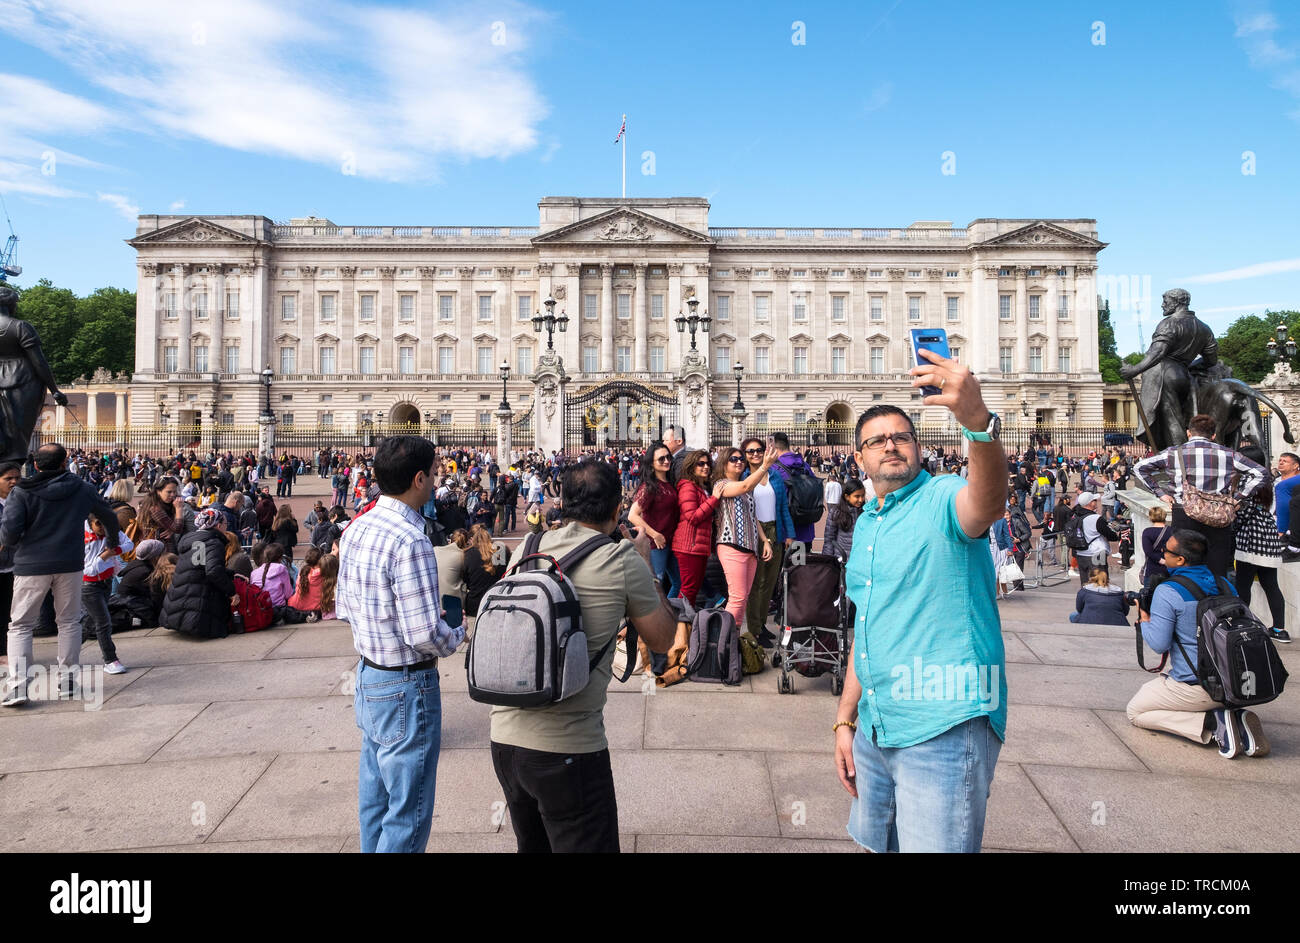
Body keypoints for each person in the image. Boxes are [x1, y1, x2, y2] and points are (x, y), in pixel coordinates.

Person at [835, 345, 1008, 853]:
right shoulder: (868, 521)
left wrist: (977, 422)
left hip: (944, 721)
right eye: (877, 440)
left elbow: (987, 502)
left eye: (901, 437)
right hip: (876, 724)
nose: (891, 446)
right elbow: (867, 628)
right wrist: (847, 718)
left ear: (918, 445)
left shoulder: (943, 496)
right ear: (859, 457)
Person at [490, 458, 676, 853]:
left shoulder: (530, 544)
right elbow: (662, 640)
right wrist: (644, 562)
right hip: (568, 747)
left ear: (565, 502)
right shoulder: (621, 559)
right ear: (616, 508)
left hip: (505, 739)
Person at [336, 435, 464, 854]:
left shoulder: (358, 525)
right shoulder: (412, 539)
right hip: (407, 686)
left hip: (369, 674)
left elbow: (343, 606)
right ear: (418, 478)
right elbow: (423, 635)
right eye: (434, 474)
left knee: (375, 801)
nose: (436, 481)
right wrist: (457, 636)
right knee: (408, 812)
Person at [1126, 530, 1269, 759]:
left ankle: (1213, 722)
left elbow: (1159, 644)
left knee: (1136, 711)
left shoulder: (1168, 591)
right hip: (1236, 681)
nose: (1163, 553)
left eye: (1167, 551)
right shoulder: (1224, 584)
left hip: (1197, 686)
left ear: (1180, 560)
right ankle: (1234, 717)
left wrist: (1144, 619)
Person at [1, 443, 123, 705]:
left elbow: (9, 534)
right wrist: (112, 542)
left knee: (21, 625)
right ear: (64, 462)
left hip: (31, 564)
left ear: (34, 465)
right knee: (68, 622)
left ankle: (19, 686)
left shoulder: (21, 491)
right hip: (70, 562)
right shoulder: (82, 488)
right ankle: (67, 681)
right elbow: (110, 517)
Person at [1132, 413, 1265, 578]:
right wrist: (1237, 498)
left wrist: (1160, 493)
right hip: (1219, 515)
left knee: (1184, 566)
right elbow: (1260, 473)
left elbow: (1139, 468)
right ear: (1214, 435)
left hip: (1184, 513)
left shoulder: (1174, 453)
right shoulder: (1228, 454)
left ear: (1189, 432)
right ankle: (1214, 600)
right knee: (1216, 569)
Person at [710, 445, 777, 629]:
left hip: (750, 548)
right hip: (731, 545)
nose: (739, 461)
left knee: (743, 598)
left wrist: (765, 541)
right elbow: (745, 485)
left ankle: (735, 637)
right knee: (737, 598)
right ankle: (726, 640)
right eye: (733, 459)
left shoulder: (745, 488)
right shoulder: (721, 484)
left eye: (741, 458)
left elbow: (752, 516)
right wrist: (764, 466)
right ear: (724, 464)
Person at [741, 436, 797, 647]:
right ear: (745, 455)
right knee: (757, 583)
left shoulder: (774, 476)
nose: (755, 454)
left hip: (775, 529)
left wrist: (789, 534)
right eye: (750, 451)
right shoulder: (745, 477)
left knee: (770, 583)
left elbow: (783, 507)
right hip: (755, 532)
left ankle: (762, 624)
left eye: (759, 450)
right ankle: (754, 629)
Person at [158, 508, 239, 640]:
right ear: (218, 525)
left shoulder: (193, 539)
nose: (226, 527)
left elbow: (198, 565)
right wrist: (231, 591)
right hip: (199, 609)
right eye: (225, 524)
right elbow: (213, 571)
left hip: (180, 598)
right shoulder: (213, 542)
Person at [1233, 482, 1289, 642]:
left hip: (1250, 548)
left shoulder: (1248, 491)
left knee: (1243, 586)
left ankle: (1242, 624)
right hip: (1270, 547)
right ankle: (1280, 629)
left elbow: (1240, 518)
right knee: (1272, 587)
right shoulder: (1266, 492)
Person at [82, 510, 135, 674]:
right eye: (99, 525)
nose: (103, 530)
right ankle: (110, 659)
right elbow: (89, 570)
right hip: (89, 585)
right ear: (92, 522)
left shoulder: (110, 529)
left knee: (91, 620)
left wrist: (114, 551)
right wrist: (104, 556)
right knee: (103, 621)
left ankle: (68, 655)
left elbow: (129, 544)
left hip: (106, 581)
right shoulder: (81, 536)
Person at [627, 442, 681, 599]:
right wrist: (654, 534)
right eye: (661, 459)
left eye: (668, 457)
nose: (666, 461)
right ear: (651, 464)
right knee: (656, 585)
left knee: (678, 583)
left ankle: (668, 614)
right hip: (656, 544)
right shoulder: (649, 487)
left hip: (670, 541)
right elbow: (632, 515)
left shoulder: (669, 484)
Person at [671, 449, 720, 608]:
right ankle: (679, 624)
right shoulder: (687, 487)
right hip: (688, 546)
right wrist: (714, 499)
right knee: (688, 590)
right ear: (691, 466)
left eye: (708, 464)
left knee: (692, 589)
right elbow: (692, 517)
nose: (705, 467)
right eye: (701, 464)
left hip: (697, 546)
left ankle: (685, 624)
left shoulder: (701, 487)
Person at [768, 431, 819, 547]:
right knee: (800, 564)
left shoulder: (774, 468)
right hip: (806, 529)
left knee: (784, 565)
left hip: (784, 533)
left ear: (772, 447)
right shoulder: (804, 465)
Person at [1070, 492, 1120, 586]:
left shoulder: (1075, 516)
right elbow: (1111, 536)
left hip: (1081, 554)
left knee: (1085, 583)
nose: (1096, 502)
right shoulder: (1096, 518)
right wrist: (1116, 532)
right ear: (1090, 503)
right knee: (1100, 583)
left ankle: (1086, 599)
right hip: (1097, 553)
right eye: (1094, 500)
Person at [0, 462, 20, 668]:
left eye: (16, 478)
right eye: (8, 479)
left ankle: (5, 650)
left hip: (15, 565)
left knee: (10, 611)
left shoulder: (19, 501)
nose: (13, 482)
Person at [462, 524, 503, 623]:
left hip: (474, 605)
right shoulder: (499, 551)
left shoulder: (467, 554)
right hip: (496, 603)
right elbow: (502, 575)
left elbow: (465, 579)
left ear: (471, 539)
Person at [822, 478, 866, 562]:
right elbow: (829, 539)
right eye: (857, 496)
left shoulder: (866, 512)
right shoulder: (836, 512)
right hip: (841, 560)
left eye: (863, 496)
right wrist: (827, 561)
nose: (861, 500)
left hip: (860, 561)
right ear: (847, 496)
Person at [1140, 505, 1171, 586]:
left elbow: (1148, 551)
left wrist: (1162, 561)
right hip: (1169, 569)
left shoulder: (1147, 532)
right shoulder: (1171, 530)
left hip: (1152, 570)